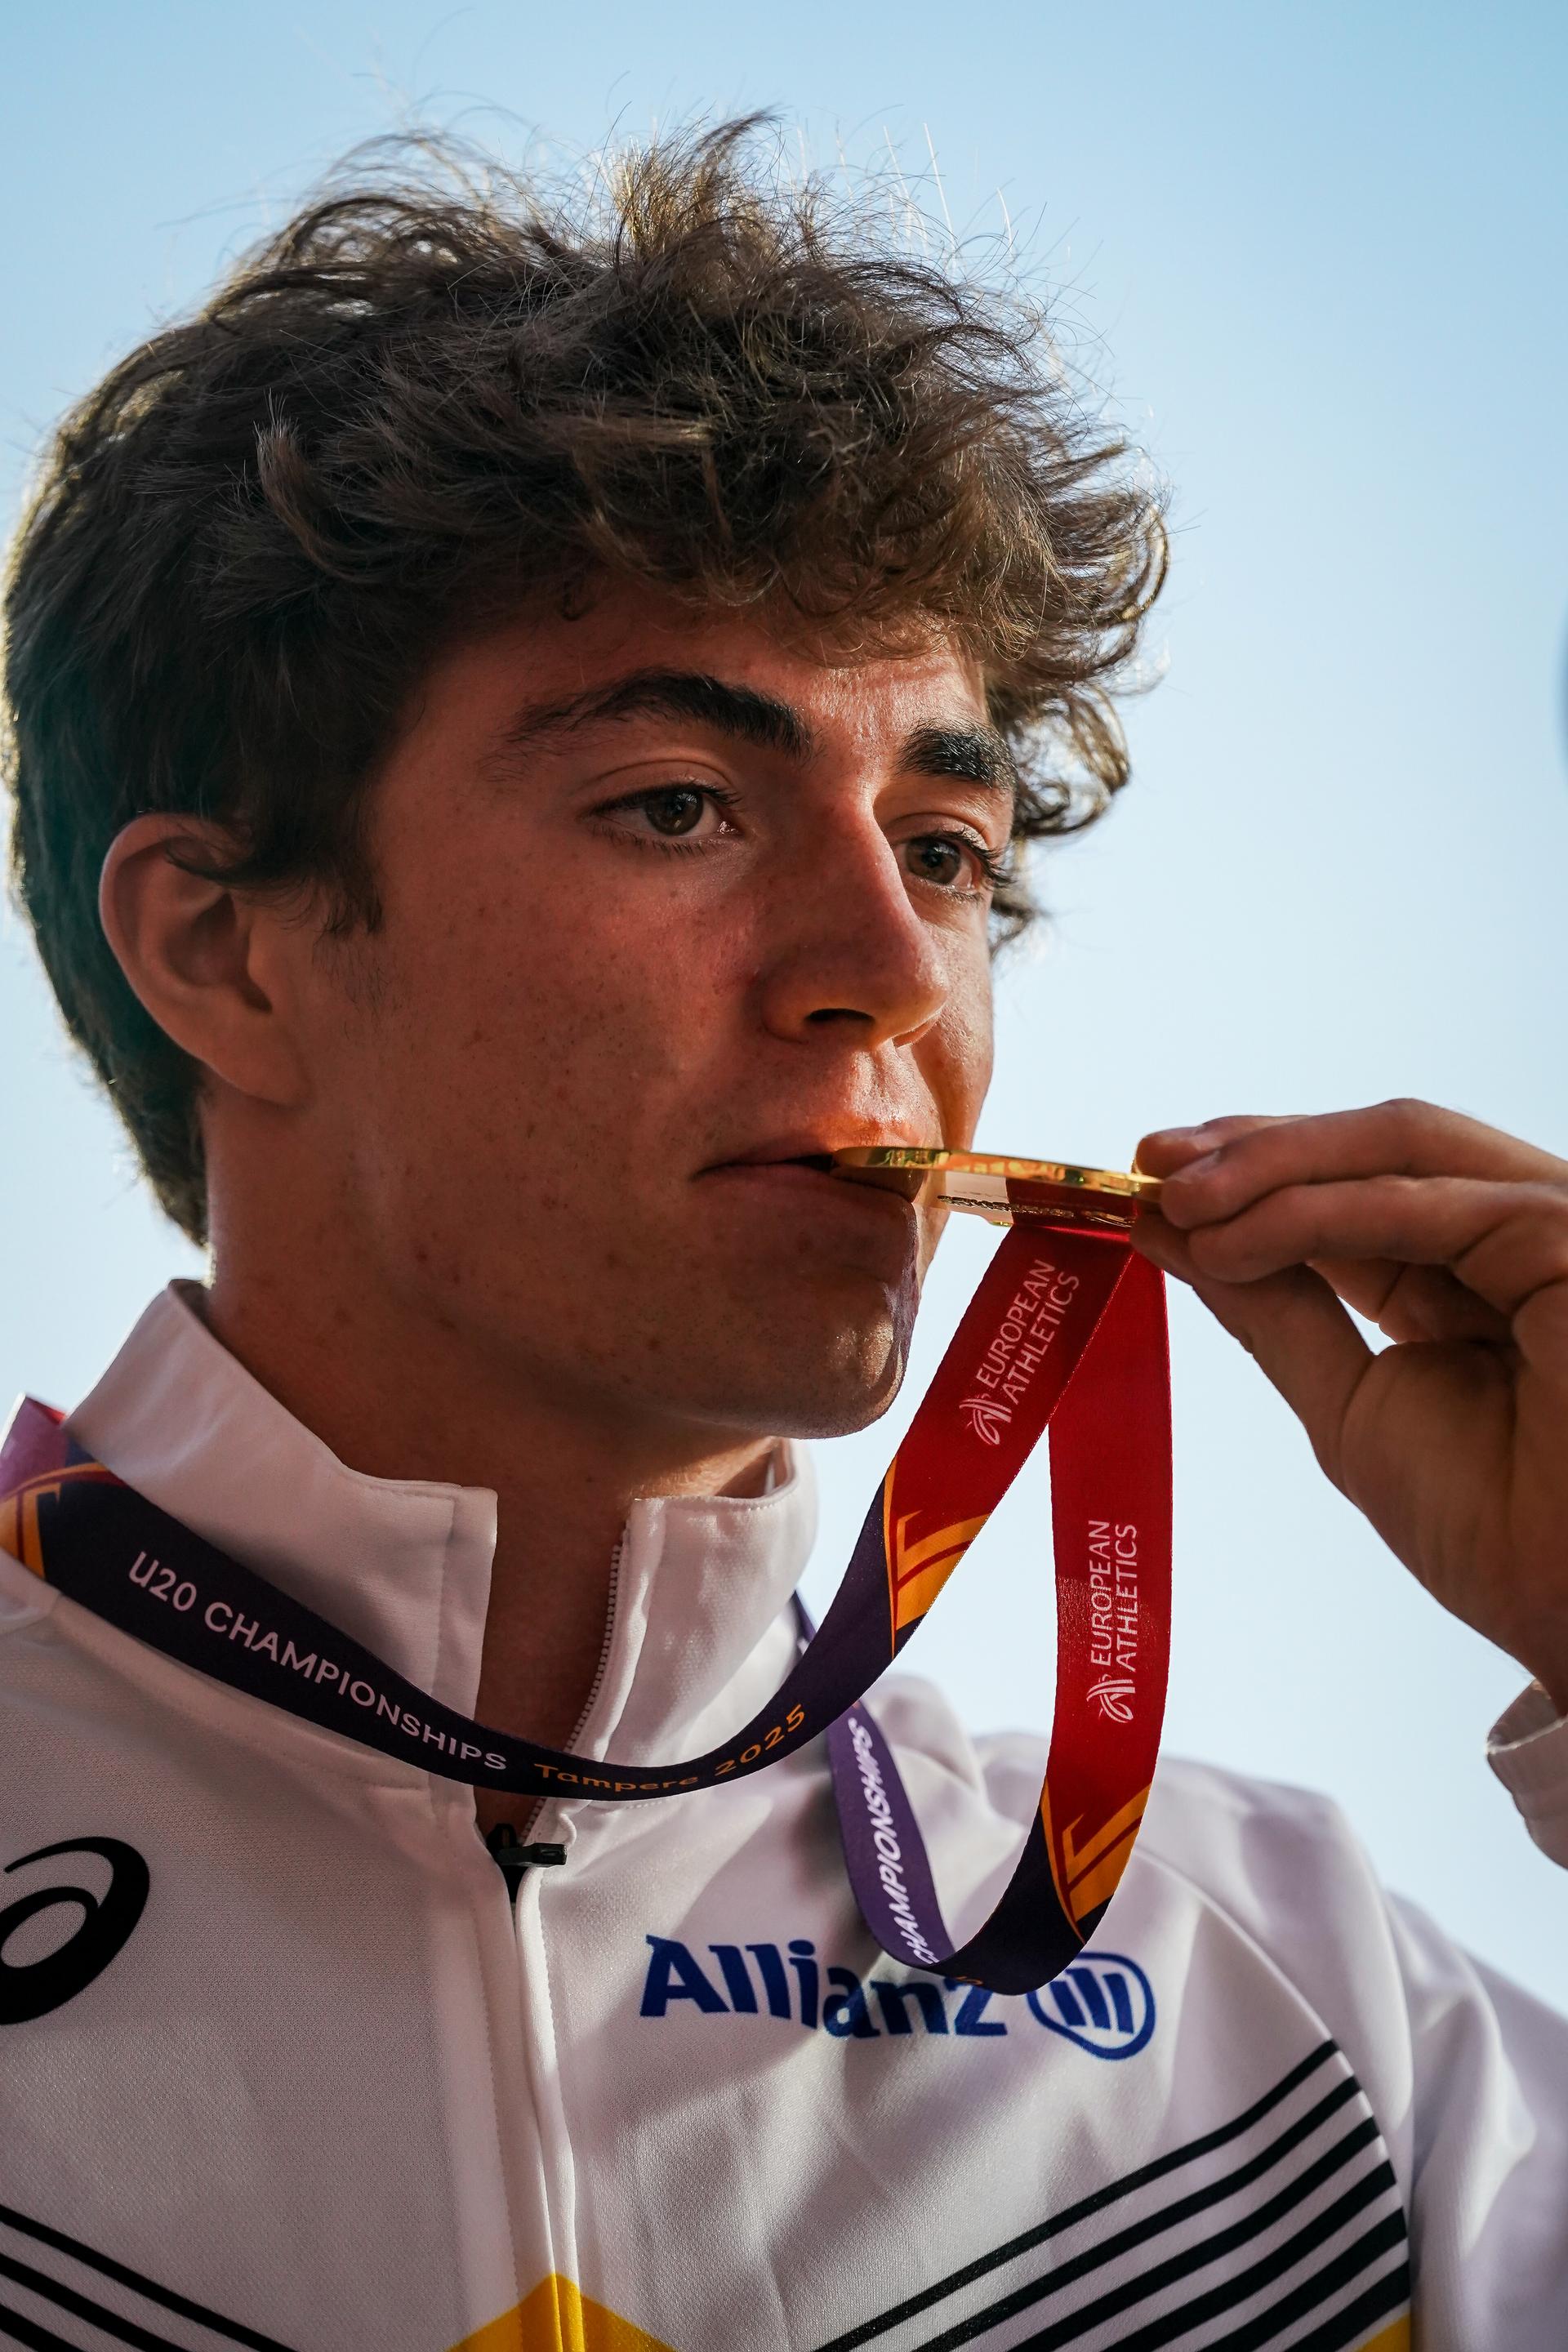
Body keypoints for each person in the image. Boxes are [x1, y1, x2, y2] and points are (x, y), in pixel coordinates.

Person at [2, 122, 1564, 2352]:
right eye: (679, 807)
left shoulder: (1304, 2010)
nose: (890, 970)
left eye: (943, 845)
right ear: (227, 951)